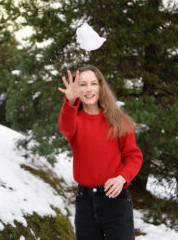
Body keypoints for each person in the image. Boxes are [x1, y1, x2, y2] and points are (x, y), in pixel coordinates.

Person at [57, 65, 143, 240]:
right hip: (85, 202)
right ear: (77, 89)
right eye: (82, 84)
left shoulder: (118, 120)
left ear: (101, 87)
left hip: (116, 199)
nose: (88, 89)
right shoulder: (75, 121)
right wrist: (70, 102)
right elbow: (65, 127)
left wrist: (122, 178)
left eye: (93, 83)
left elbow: (134, 156)